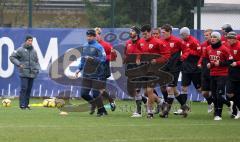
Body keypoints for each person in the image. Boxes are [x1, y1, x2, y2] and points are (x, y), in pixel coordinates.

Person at [140, 24, 171, 118]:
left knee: (149, 90)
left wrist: (156, 61)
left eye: (146, 34)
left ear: (150, 32)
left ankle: (150, 112)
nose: (144, 36)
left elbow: (166, 56)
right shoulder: (141, 42)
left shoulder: (158, 42)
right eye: (143, 34)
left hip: (155, 69)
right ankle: (162, 102)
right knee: (146, 92)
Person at [75, 29, 107, 117]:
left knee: (96, 94)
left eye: (90, 36)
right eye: (87, 36)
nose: (88, 38)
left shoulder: (99, 47)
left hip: (96, 74)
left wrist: (93, 59)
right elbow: (82, 60)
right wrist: (78, 69)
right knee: (83, 94)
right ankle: (95, 105)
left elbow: (103, 59)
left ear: (94, 37)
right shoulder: (84, 46)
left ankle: (101, 111)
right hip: (86, 74)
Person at [204, 31, 234, 120]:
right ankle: (229, 104)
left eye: (215, 37)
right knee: (214, 95)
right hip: (212, 74)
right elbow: (205, 59)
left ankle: (218, 114)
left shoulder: (224, 49)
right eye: (212, 37)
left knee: (219, 95)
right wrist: (208, 64)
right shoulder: (208, 48)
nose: (212, 38)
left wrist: (220, 63)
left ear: (219, 39)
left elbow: (230, 61)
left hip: (222, 74)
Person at [159, 24, 186, 117]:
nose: (162, 34)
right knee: (174, 90)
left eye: (163, 32)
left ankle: (166, 111)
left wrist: (181, 58)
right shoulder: (161, 41)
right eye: (161, 32)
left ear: (169, 32)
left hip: (175, 68)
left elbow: (186, 50)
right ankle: (184, 106)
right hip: (165, 68)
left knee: (169, 89)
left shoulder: (177, 41)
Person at [10, 35, 41, 110]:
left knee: (29, 89)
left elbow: (36, 62)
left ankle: (26, 105)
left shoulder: (34, 51)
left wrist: (37, 69)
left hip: (32, 73)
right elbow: (12, 57)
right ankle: (22, 105)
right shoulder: (20, 49)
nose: (30, 42)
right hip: (24, 73)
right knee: (24, 88)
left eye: (31, 41)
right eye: (29, 40)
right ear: (25, 41)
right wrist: (19, 64)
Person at [177, 27, 201, 117]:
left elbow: (199, 53)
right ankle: (183, 108)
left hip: (195, 69)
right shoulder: (182, 41)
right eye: (180, 35)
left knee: (200, 90)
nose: (181, 36)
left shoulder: (194, 41)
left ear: (187, 34)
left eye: (182, 35)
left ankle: (213, 101)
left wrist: (189, 51)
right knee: (183, 88)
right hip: (185, 68)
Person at [124, 26, 148, 117]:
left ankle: (138, 112)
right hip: (130, 68)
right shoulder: (128, 43)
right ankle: (147, 101)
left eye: (133, 31)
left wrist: (139, 59)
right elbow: (126, 54)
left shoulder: (142, 42)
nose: (130, 32)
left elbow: (145, 54)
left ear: (137, 33)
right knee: (132, 91)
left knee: (137, 90)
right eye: (130, 31)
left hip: (140, 68)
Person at [94, 27, 117, 112]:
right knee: (98, 89)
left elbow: (113, 57)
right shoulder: (91, 45)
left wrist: (106, 57)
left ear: (100, 35)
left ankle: (101, 109)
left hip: (103, 68)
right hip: (94, 69)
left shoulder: (106, 45)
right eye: (93, 35)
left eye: (96, 35)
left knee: (100, 89)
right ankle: (110, 101)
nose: (94, 37)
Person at [197, 29, 214, 113]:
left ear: (212, 36)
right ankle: (210, 103)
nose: (205, 36)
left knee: (213, 91)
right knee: (204, 93)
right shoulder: (203, 45)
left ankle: (217, 108)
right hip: (205, 71)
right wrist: (199, 63)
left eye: (207, 35)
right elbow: (202, 56)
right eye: (205, 35)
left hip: (214, 70)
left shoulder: (216, 45)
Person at [226, 31, 240, 119]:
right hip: (231, 73)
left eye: (231, 38)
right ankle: (237, 109)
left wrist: (237, 63)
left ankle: (237, 111)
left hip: (239, 71)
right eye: (228, 38)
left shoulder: (239, 46)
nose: (229, 40)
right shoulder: (227, 46)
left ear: (235, 39)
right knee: (229, 93)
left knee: (238, 94)